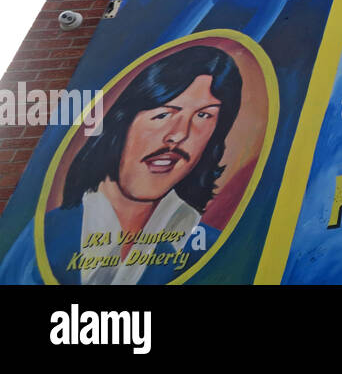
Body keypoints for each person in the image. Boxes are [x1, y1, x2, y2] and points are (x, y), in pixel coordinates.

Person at [0, 44, 242, 284]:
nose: (179, 135)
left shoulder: (213, 249)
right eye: (163, 114)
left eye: (203, 116)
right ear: (123, 121)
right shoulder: (42, 237)